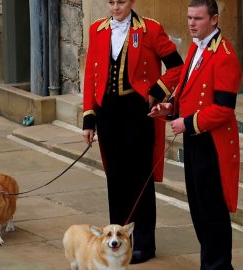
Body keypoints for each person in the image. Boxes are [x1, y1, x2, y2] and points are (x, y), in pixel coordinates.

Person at [81, 0, 183, 264]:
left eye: (121, 2)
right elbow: (92, 76)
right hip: (108, 112)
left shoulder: (150, 29)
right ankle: (116, 240)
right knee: (115, 177)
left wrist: (156, 93)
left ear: (132, 2)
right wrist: (89, 119)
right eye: (111, 2)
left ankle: (145, 243)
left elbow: (177, 66)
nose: (116, 7)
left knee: (140, 177)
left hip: (137, 111)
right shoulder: (97, 30)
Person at [149, 0, 241, 269]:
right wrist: (169, 108)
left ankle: (218, 266)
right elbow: (188, 92)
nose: (191, 24)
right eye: (189, 18)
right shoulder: (195, 47)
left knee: (212, 210)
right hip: (195, 139)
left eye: (198, 19)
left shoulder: (224, 55)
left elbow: (224, 108)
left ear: (214, 19)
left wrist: (187, 124)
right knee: (199, 209)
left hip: (212, 143)